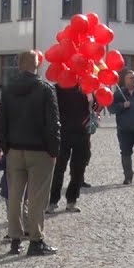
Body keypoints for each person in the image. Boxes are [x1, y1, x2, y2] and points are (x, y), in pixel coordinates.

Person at [0, 50, 60, 256]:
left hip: (14, 149)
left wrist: (5, 146)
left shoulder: (7, 90)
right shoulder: (45, 89)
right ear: (36, 65)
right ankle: (36, 240)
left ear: (18, 65)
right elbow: (53, 123)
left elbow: (1, 120)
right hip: (39, 150)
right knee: (37, 197)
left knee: (14, 196)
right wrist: (54, 149)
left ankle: (15, 240)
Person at [48, 83, 93, 213]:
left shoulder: (86, 87)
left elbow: (94, 107)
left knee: (78, 169)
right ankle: (52, 200)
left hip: (82, 133)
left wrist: (95, 101)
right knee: (58, 168)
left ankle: (71, 200)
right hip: (63, 133)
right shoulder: (57, 88)